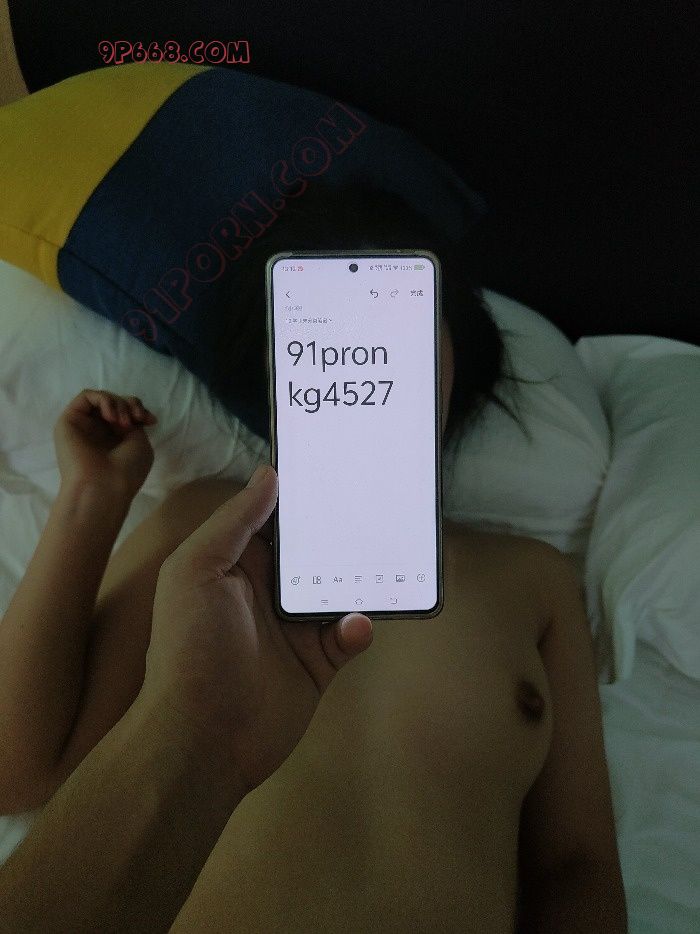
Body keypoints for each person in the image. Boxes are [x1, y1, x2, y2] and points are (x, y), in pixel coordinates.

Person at [0, 181, 628, 932]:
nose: (367, 362)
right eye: (325, 336)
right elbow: (19, 772)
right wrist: (90, 500)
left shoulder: (533, 579)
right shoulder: (208, 534)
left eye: (400, 326)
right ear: (277, 371)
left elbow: (578, 865)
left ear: (454, 350)